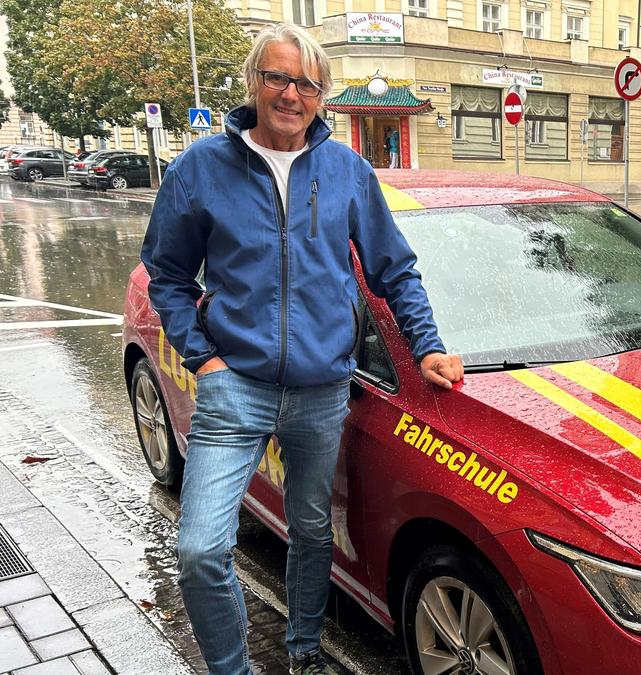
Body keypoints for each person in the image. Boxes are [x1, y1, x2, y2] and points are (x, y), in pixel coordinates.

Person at [139, 23, 463, 675]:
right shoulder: (199, 168)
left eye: (308, 83)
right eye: (278, 77)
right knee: (201, 549)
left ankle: (304, 648)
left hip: (320, 389)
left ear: (323, 95)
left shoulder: (345, 170)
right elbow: (167, 274)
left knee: (312, 528)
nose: (292, 93)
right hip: (235, 386)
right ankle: (234, 667)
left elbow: (393, 269)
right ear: (254, 81)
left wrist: (427, 346)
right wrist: (203, 356)